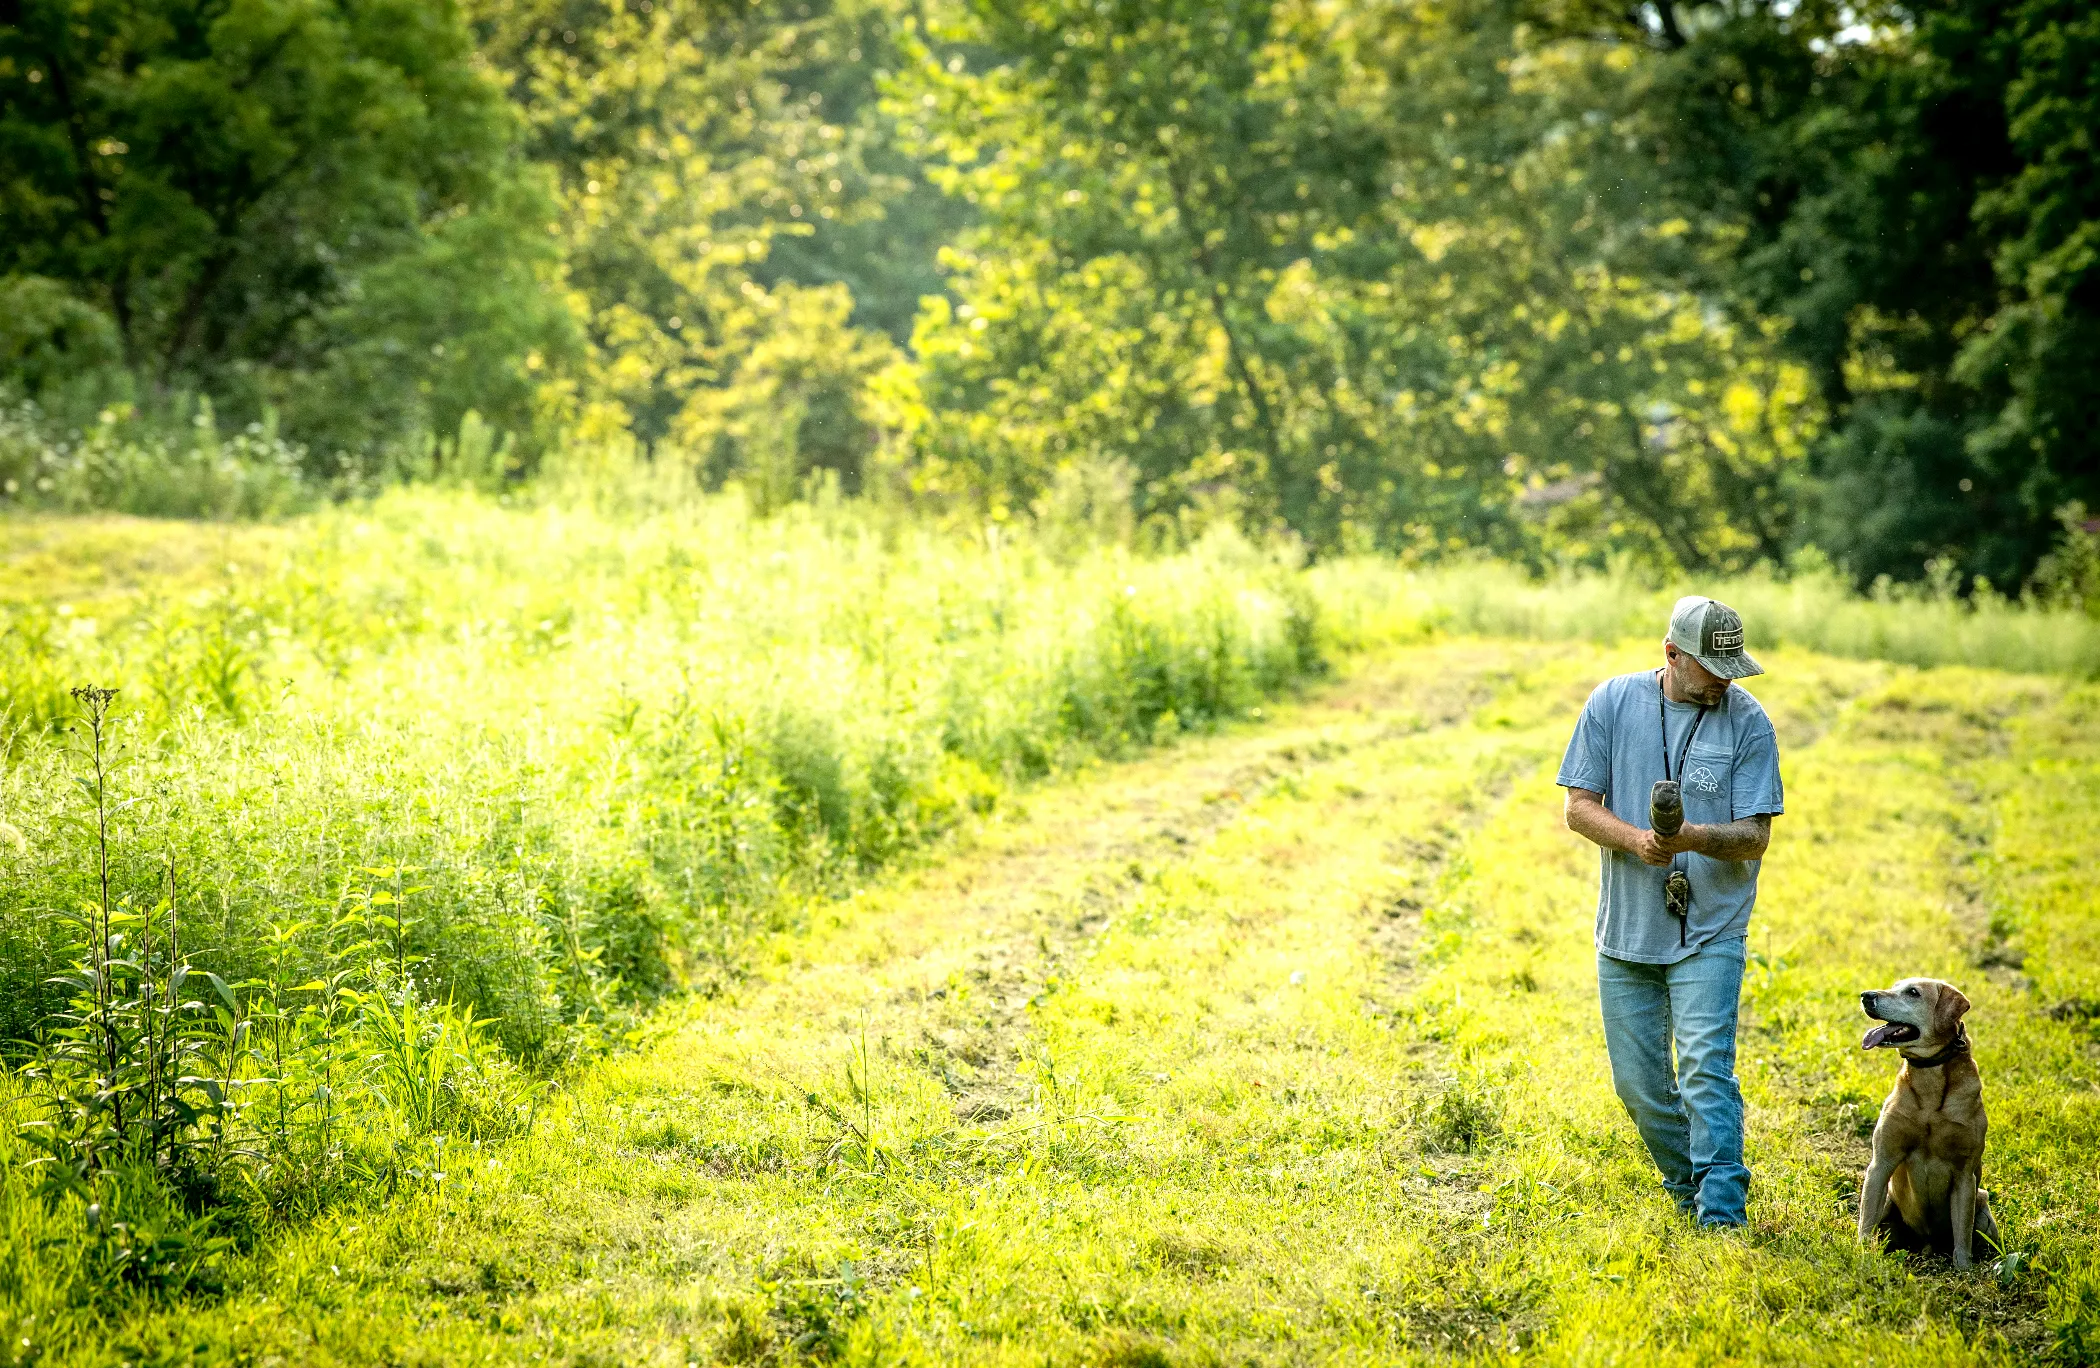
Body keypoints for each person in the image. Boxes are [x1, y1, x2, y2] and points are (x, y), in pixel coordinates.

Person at [1556, 596, 1784, 1228]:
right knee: (1639, 1085)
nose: (1724, 681)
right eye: (1712, 667)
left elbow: (1755, 836)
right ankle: (1686, 1189)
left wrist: (1691, 838)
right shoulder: (1611, 702)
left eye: (1732, 667)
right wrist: (1638, 841)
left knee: (1706, 1070)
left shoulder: (1748, 722)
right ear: (1672, 654)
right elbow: (1578, 806)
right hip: (1627, 926)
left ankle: (1721, 1214)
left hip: (1712, 925)